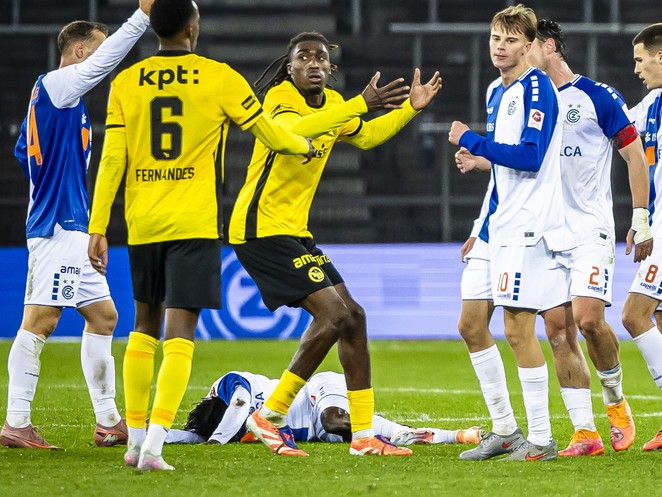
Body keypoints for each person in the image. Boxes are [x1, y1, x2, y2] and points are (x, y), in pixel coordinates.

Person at [86, 0, 314, 471]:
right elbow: (270, 133)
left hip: (143, 221)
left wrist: (98, 226)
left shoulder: (126, 82)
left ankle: (133, 441)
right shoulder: (219, 77)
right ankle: (154, 446)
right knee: (180, 334)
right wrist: (303, 144)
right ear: (193, 27)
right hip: (194, 222)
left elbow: (111, 159)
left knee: (142, 326)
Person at [228, 31, 441, 457]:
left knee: (354, 318)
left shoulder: (335, 105)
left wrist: (409, 110)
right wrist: (358, 103)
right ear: (290, 67)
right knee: (334, 315)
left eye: (320, 57)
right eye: (303, 57)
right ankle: (270, 415)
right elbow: (291, 130)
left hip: (294, 231)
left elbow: (365, 137)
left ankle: (362, 436)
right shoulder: (279, 99)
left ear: (331, 67)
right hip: (259, 228)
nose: (313, 63)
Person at [0, 0, 154, 451]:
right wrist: (142, 18)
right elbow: (102, 65)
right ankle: (16, 422)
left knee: (104, 317)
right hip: (57, 228)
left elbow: (24, 152)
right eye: (99, 52)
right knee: (41, 321)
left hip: (71, 226)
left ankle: (108, 422)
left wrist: (84, 222)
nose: (104, 63)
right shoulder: (57, 86)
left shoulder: (59, 100)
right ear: (81, 51)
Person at [524, 19, 652, 457]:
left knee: (589, 320)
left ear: (549, 46)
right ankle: (585, 432)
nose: (518, 53)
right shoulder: (527, 104)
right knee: (557, 331)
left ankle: (616, 403)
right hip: (545, 232)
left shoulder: (598, 96)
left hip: (589, 229)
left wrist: (640, 216)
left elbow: (634, 156)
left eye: (525, 45)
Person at [449, 4, 564, 461]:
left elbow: (531, 156)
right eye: (496, 37)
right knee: (470, 324)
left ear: (529, 45)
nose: (500, 46)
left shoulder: (538, 87)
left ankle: (542, 439)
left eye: (511, 39)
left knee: (517, 330)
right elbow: (504, 168)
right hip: (495, 226)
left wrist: (471, 140)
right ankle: (505, 430)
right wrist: (480, 223)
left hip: (526, 228)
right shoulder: (496, 90)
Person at [164, 371, 481, 447]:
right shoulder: (214, 424)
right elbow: (187, 436)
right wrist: (149, 436)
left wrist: (217, 441)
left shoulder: (229, 384)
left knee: (334, 420)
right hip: (312, 432)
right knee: (386, 436)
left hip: (317, 392)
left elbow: (240, 403)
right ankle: (457, 435)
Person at [621, 22, 662, 452]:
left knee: (635, 314)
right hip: (657, 223)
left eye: (640, 59)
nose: (636, 69)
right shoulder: (651, 104)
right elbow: (613, 132)